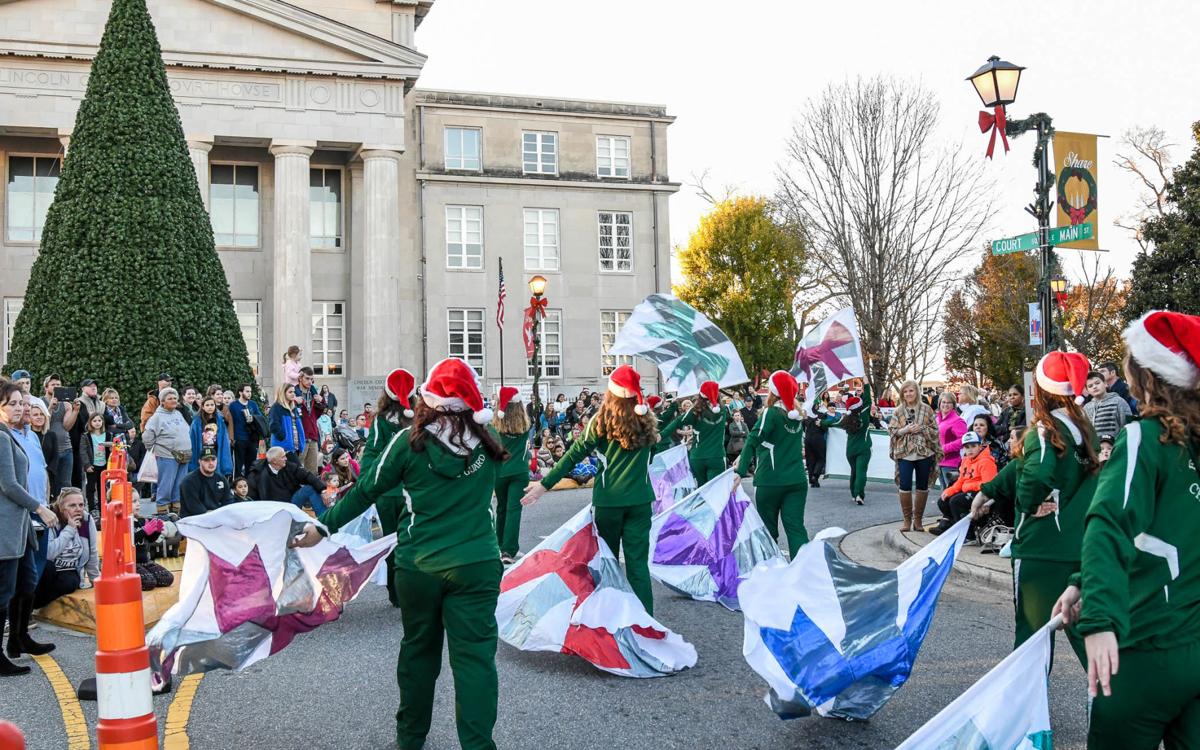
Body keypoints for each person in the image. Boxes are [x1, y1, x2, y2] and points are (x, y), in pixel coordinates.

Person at [298, 357, 508, 750]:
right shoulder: (488, 439)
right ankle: (479, 746)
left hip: (420, 565)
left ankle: (410, 740)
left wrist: (323, 526)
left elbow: (364, 491)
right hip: (477, 563)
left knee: (418, 655)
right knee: (476, 662)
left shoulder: (408, 443)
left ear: (427, 398)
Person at [1053, 311, 1200, 749]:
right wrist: (1082, 582)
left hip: (1148, 648)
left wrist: (1098, 622)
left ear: (1147, 375)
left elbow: (1110, 526)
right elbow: (1163, 533)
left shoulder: (1143, 438)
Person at [524, 365, 682, 615]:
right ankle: (645, 627)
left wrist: (544, 485)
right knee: (638, 567)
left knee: (606, 564)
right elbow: (651, 454)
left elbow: (573, 455)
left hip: (609, 502)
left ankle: (607, 624)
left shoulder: (601, 421)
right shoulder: (647, 419)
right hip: (641, 502)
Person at [1011, 351, 1097, 665]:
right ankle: (1111, 710)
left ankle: (1027, 714)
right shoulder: (1084, 428)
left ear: (1041, 388)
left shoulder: (1045, 430)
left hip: (1042, 548)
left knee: (1032, 639)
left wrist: (1028, 504)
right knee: (1090, 642)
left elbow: (1035, 474)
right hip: (1079, 548)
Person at [1, 382, 59, 675]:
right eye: (12, 403)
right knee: (4, 591)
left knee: (26, 582)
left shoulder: (22, 436)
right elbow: (9, 484)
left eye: (21, 403)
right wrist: (39, 508)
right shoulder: (1, 437)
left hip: (24, 521)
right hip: (10, 522)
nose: (19, 408)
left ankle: (19, 638)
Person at [736, 371, 808, 556]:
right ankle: (805, 573)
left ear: (773, 392)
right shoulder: (798, 415)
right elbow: (774, 442)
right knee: (796, 529)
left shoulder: (771, 412)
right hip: (797, 479)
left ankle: (772, 574)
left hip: (771, 480)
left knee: (768, 531)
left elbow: (753, 439)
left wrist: (740, 471)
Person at [887, 379, 939, 532]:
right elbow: (892, 430)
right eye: (906, 391)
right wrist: (905, 430)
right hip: (905, 453)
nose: (909, 394)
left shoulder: (927, 409)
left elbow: (935, 431)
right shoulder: (898, 411)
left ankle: (918, 520)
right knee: (905, 485)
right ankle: (906, 520)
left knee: (922, 486)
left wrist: (921, 428)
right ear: (902, 393)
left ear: (917, 391)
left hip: (924, 453)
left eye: (911, 390)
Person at [34, 488, 99, 608]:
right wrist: (69, 530)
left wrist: (95, 580)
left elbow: (92, 552)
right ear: (61, 507)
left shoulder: (87, 520)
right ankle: (28, 607)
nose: (78, 509)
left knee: (70, 582)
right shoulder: (50, 519)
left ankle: (34, 605)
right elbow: (48, 553)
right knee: (48, 568)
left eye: (81, 505)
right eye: (72, 505)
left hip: (68, 572)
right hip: (48, 570)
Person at [928, 432, 997, 541]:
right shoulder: (966, 460)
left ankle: (969, 535)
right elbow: (961, 480)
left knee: (956, 501)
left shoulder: (986, 461)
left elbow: (989, 485)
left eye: (973, 446)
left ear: (980, 446)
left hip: (983, 494)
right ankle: (950, 526)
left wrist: (968, 486)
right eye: (967, 447)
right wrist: (951, 490)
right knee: (943, 501)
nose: (970, 450)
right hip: (970, 490)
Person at [490, 387, 531, 565]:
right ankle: (509, 550)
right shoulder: (525, 424)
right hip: (520, 471)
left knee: (501, 508)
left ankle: (498, 546)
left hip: (500, 471)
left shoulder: (495, 427)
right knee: (514, 510)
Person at [142, 388, 192, 515]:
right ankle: (163, 511)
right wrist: (153, 449)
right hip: (167, 455)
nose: (174, 400)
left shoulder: (178, 414)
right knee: (166, 484)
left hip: (184, 455)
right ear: (162, 402)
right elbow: (147, 436)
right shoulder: (157, 417)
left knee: (179, 484)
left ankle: (176, 510)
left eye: (175, 398)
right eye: (170, 398)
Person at [823, 383, 874, 506]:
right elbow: (868, 398)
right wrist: (866, 384)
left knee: (854, 471)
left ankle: (853, 494)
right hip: (864, 448)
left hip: (850, 450)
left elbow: (833, 423)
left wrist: (821, 422)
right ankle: (858, 494)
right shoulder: (865, 415)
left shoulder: (845, 419)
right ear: (860, 405)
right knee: (861, 471)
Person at [247, 447, 332, 515]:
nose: (286, 458)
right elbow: (251, 497)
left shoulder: (289, 466)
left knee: (309, 489)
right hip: (272, 509)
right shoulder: (257, 473)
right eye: (283, 457)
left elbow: (307, 476)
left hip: (291, 503)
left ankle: (325, 519)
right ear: (274, 461)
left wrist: (323, 491)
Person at [678, 380, 732, 485]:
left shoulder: (696, 411)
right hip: (715, 455)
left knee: (702, 489)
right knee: (715, 489)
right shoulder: (723, 409)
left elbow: (678, 423)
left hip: (698, 455)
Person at [42, 373, 79, 497]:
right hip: (50, 450)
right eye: (53, 385)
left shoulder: (66, 404)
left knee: (65, 485)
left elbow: (67, 426)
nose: (56, 387)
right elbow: (42, 422)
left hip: (66, 448)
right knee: (50, 484)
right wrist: (50, 408)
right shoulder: (41, 402)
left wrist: (75, 411)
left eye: (58, 385)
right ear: (46, 387)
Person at [178, 447, 234, 519]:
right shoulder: (189, 481)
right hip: (193, 520)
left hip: (216, 518)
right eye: (206, 460)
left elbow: (228, 501)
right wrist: (213, 515)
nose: (211, 463)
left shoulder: (222, 479)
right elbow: (194, 507)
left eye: (213, 460)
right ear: (200, 461)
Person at [188, 396, 233, 478]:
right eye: (207, 405)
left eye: (212, 405)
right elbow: (192, 439)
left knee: (215, 474)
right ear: (202, 407)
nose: (210, 407)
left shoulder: (220, 420)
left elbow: (224, 440)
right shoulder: (197, 422)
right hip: (202, 450)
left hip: (216, 450)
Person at [1083, 370, 1133, 439]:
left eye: (1097, 383)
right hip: (1096, 448)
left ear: (1105, 384)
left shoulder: (1118, 401)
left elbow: (1127, 426)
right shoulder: (1086, 407)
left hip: (1115, 446)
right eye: (1090, 386)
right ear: (1087, 390)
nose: (1094, 387)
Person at [228, 384, 263, 479]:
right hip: (239, 439)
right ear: (240, 392)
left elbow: (261, 418)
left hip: (252, 439)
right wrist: (232, 438)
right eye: (247, 391)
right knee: (238, 465)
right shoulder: (233, 405)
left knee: (251, 464)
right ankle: (236, 485)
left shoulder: (253, 404)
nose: (249, 393)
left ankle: (249, 485)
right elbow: (230, 423)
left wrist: (253, 418)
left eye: (250, 391)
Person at [294, 368, 326, 474]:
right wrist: (294, 401)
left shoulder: (314, 394)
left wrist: (322, 402)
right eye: (307, 378)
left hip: (312, 436)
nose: (310, 382)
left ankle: (311, 491)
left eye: (312, 379)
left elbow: (316, 415)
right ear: (300, 378)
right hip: (299, 437)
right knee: (296, 469)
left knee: (313, 471)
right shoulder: (293, 393)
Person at [935, 391, 968, 489]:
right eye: (943, 402)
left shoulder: (957, 420)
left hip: (951, 463)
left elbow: (963, 440)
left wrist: (944, 448)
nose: (945, 405)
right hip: (938, 461)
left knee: (951, 491)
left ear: (953, 405)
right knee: (943, 492)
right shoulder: (937, 419)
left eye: (948, 402)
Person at [77, 412, 109, 513]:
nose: (97, 423)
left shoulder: (108, 435)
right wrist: (87, 465)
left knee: (102, 488)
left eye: (99, 420)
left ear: (103, 422)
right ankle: (92, 509)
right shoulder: (86, 436)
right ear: (90, 422)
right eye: (94, 421)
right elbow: (83, 451)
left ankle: (102, 508)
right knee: (91, 488)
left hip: (104, 465)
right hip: (92, 465)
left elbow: (112, 449)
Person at [268, 383, 305, 462]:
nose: (293, 394)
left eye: (294, 392)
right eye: (290, 392)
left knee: (289, 472)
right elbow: (273, 426)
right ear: (283, 393)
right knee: (297, 469)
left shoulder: (294, 408)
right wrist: (283, 438)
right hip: (284, 447)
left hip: (295, 446)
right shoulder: (276, 407)